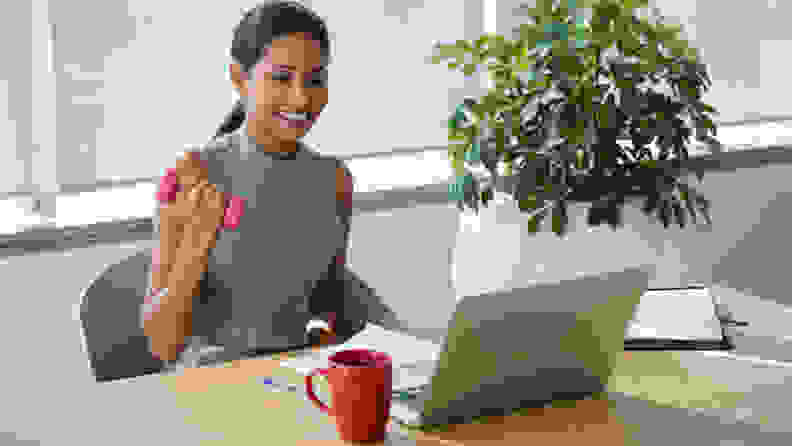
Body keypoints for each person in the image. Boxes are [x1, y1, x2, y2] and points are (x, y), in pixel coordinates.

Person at [141, 1, 355, 365]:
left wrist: (326, 343)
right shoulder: (193, 173)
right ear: (239, 78)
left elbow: (328, 306)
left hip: (297, 380)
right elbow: (162, 346)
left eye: (316, 79)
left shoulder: (334, 180)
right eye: (282, 77)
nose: (301, 98)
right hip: (210, 386)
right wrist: (198, 240)